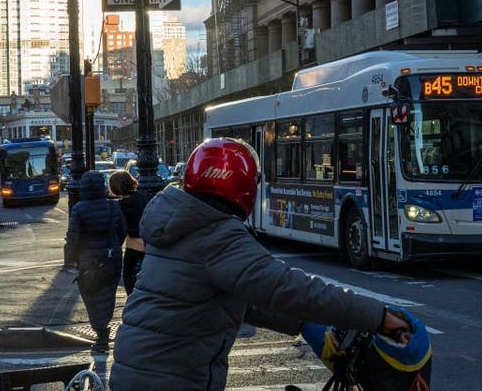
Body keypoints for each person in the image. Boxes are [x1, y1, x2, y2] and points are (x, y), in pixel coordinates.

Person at [109, 138, 412, 390]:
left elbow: (238, 298)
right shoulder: (217, 235)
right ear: (243, 186)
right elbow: (287, 288)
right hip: (169, 381)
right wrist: (378, 316)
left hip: (137, 372)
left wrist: (301, 322)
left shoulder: (180, 225)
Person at [64, 170, 127, 354]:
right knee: (108, 294)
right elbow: (122, 230)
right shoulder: (113, 206)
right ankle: (103, 331)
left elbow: (73, 237)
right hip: (112, 258)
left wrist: (70, 259)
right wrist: (114, 246)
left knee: (91, 295)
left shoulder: (79, 209)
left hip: (88, 260)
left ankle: (101, 333)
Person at [107, 170, 147, 296]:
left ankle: (132, 298)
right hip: (150, 242)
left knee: (128, 275)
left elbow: (120, 229)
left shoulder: (120, 205)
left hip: (133, 245)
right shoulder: (144, 195)